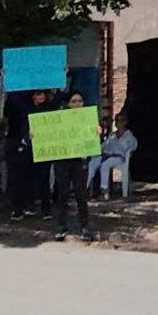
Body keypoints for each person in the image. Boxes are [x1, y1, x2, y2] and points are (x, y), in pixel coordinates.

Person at [52, 90, 99, 241]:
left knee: (81, 195)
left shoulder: (87, 118)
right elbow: (50, 134)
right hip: (62, 159)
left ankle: (84, 227)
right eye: (74, 101)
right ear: (68, 104)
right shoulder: (60, 118)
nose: (77, 104)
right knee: (63, 194)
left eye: (80, 101)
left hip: (78, 160)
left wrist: (97, 131)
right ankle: (61, 227)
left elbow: (91, 137)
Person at [4, 88, 53, 221]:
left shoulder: (49, 109)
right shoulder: (25, 108)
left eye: (43, 94)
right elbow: (13, 102)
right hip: (26, 147)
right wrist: (10, 82)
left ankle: (46, 209)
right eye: (38, 94)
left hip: (43, 148)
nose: (41, 97)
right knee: (22, 179)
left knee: (43, 179)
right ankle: (19, 209)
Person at [88, 112, 138, 199]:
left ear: (125, 122)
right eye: (117, 120)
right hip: (106, 155)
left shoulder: (129, 137)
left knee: (105, 165)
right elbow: (103, 146)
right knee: (93, 162)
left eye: (121, 120)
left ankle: (104, 190)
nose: (119, 123)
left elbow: (132, 148)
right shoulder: (112, 135)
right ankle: (84, 188)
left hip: (118, 158)